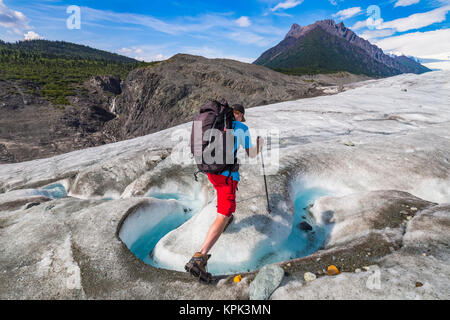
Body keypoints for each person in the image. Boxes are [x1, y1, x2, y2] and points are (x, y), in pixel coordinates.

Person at [185, 104, 263, 282]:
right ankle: (200, 258)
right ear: (240, 115)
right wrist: (259, 145)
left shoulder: (214, 124)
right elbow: (251, 154)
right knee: (224, 213)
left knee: (222, 196)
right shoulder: (241, 127)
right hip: (227, 175)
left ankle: (224, 219)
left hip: (212, 172)